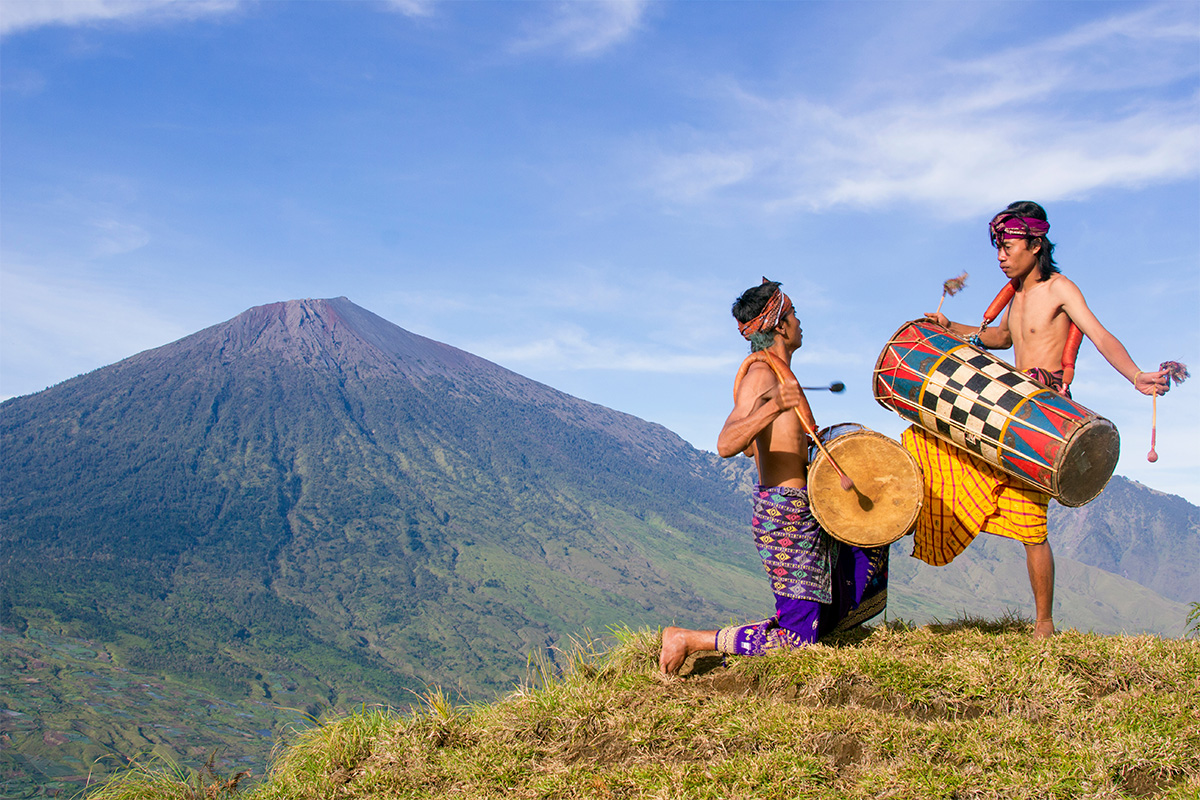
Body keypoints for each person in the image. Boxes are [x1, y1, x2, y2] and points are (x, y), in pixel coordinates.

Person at [915, 200, 1169, 638]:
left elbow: (1098, 333)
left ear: (1035, 244)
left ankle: (1044, 623)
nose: (1000, 255)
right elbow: (999, 338)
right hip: (1008, 407)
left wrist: (1135, 376)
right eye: (997, 247)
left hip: (1042, 415)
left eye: (1008, 246)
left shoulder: (1059, 289)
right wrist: (951, 326)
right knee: (926, 443)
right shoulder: (1016, 296)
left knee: (1032, 526)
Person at [659, 279, 888, 675]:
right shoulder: (762, 377)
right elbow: (728, 442)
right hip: (784, 516)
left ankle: (804, 624)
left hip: (806, 509)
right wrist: (771, 408)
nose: (800, 321)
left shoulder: (780, 376)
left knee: (868, 550)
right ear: (780, 325)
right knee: (797, 645)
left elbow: (754, 446)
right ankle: (688, 638)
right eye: (794, 313)